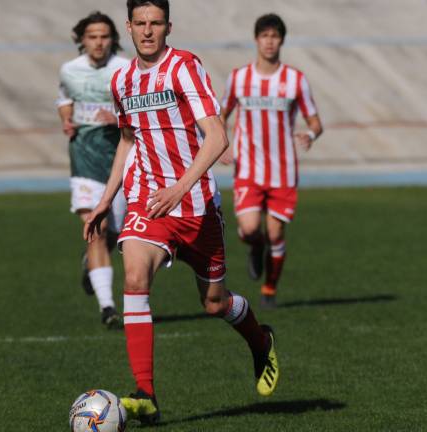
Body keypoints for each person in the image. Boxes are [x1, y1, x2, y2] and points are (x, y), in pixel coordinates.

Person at [85, 0, 279, 424]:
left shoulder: (185, 67)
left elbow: (217, 136)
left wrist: (182, 186)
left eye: (156, 23)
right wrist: (105, 199)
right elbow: (128, 142)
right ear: (129, 27)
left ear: (168, 27)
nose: (148, 31)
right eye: (141, 23)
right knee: (135, 276)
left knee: (214, 303)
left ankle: (260, 340)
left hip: (195, 206)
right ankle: (146, 394)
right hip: (148, 201)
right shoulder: (122, 81)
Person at [219, 13, 323, 308]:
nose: (269, 41)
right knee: (251, 230)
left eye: (274, 36)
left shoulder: (295, 80)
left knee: (276, 232)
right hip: (248, 169)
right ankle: (255, 248)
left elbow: (316, 121)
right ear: (256, 40)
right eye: (264, 36)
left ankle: (269, 290)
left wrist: (311, 136)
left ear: (281, 41)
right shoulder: (239, 78)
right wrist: (220, 145)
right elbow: (220, 116)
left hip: (283, 171)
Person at [57, 11, 129, 329]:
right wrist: (66, 120)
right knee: (95, 231)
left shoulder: (126, 69)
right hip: (84, 159)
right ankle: (108, 307)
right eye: (92, 37)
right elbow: (63, 98)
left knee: (113, 234)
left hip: (120, 161)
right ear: (82, 40)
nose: (98, 42)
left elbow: (141, 111)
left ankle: (91, 264)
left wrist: (119, 119)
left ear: (112, 39)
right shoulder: (70, 70)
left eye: (104, 36)